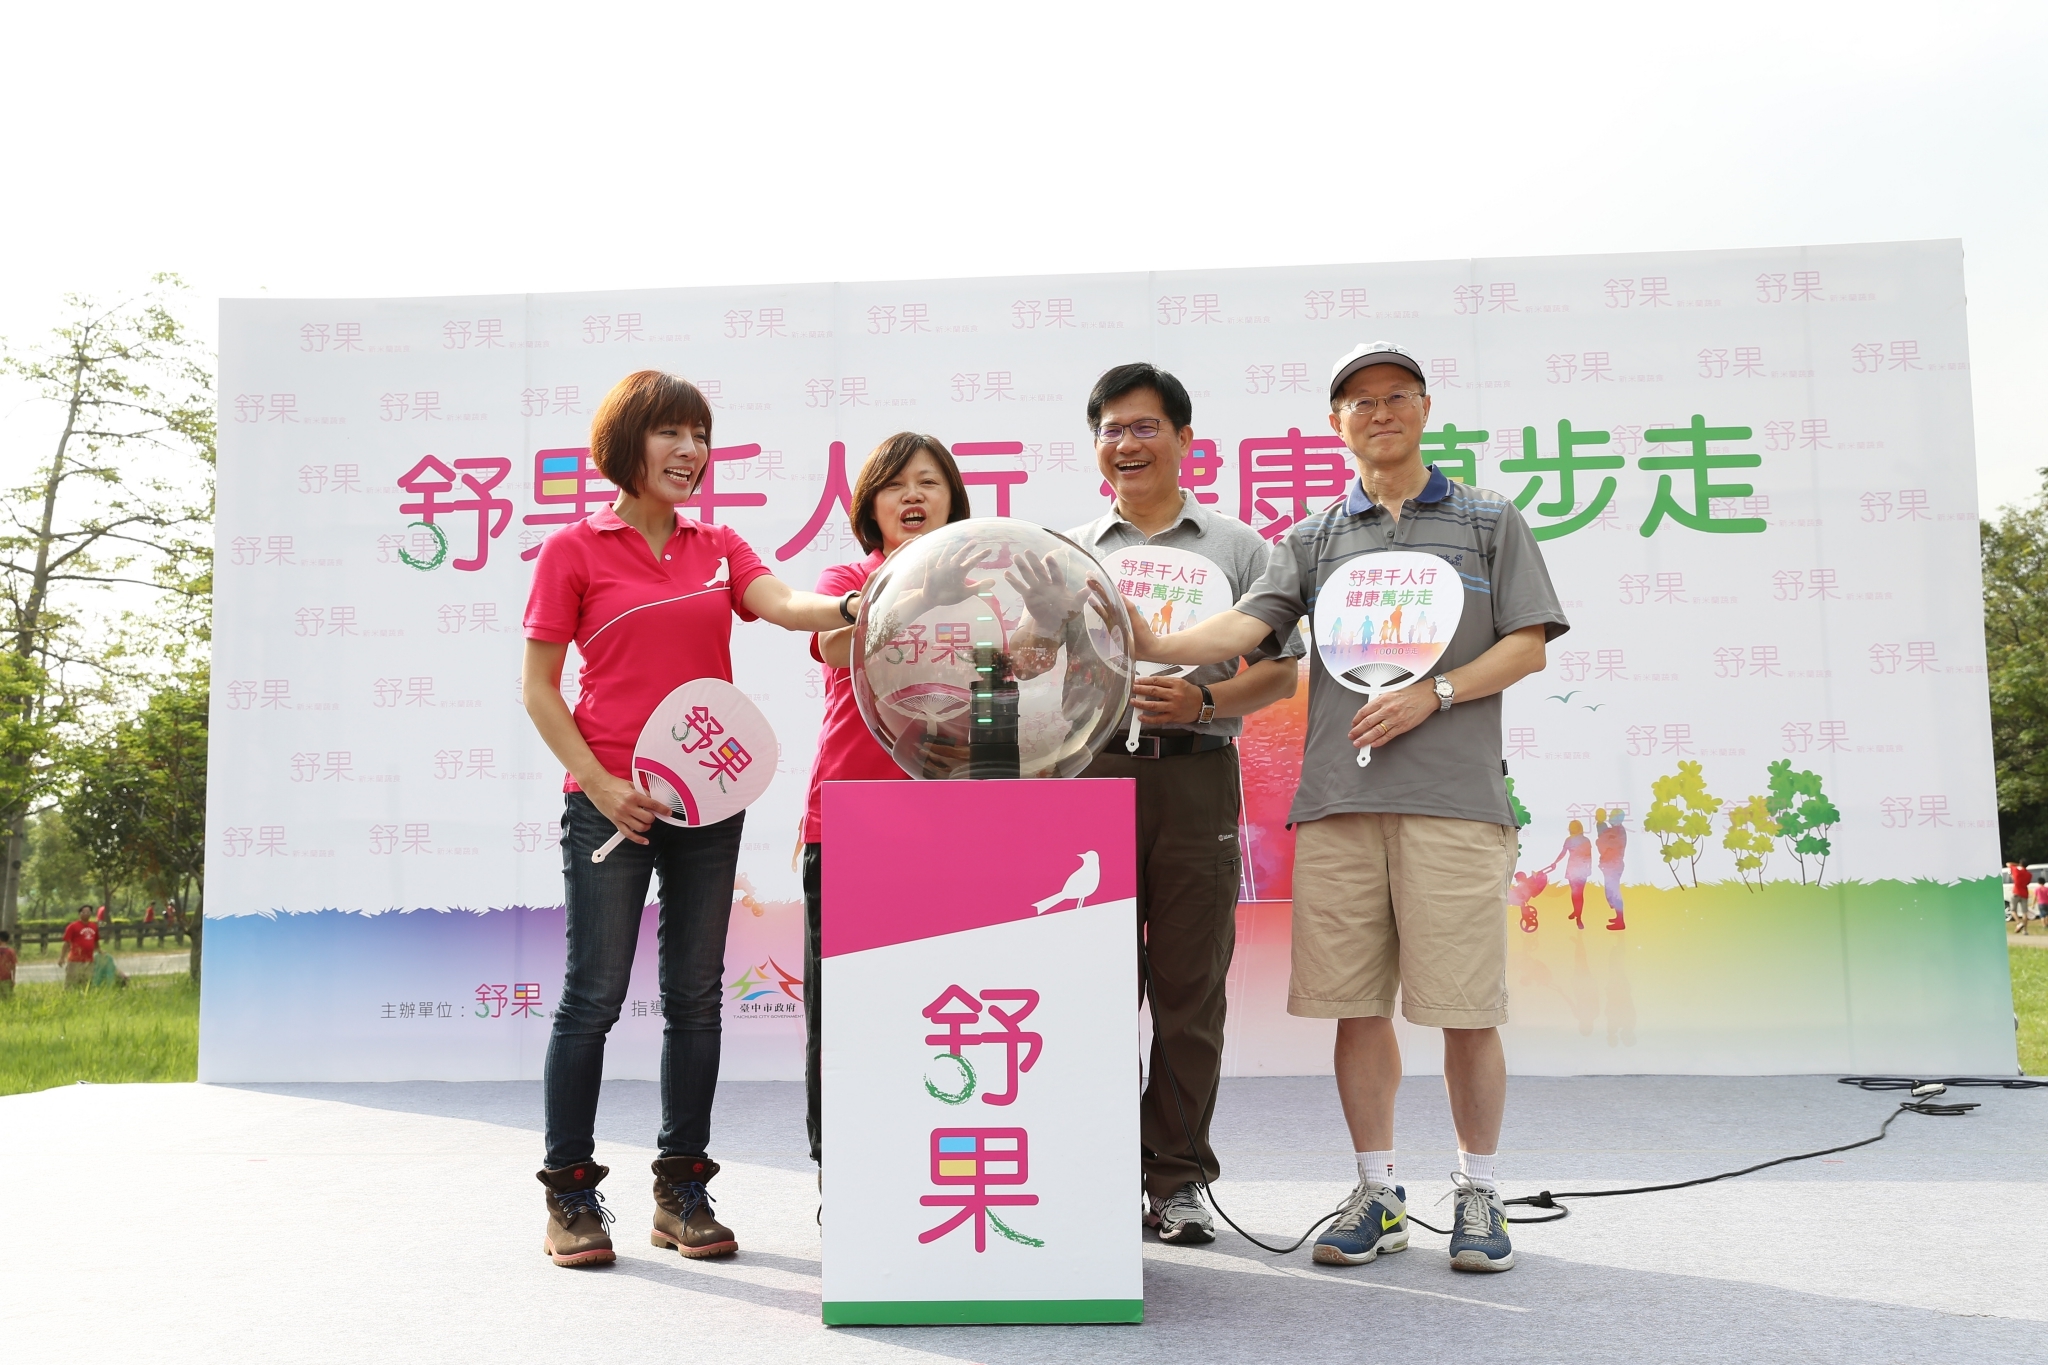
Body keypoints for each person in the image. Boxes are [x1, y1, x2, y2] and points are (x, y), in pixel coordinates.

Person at [1122, 341, 1568, 1275]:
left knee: (1465, 1011)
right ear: (1336, 424)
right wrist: (1149, 637)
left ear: (1425, 408)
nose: (1380, 412)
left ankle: (1479, 1191)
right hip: (1338, 802)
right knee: (1355, 1010)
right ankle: (1377, 1191)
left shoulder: (1487, 519)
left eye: (1396, 395)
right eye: (1360, 402)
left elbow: (1527, 644)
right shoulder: (1313, 538)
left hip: (1454, 802)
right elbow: (1246, 628)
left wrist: (1434, 694)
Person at [521, 369, 864, 1269]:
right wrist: (600, 784)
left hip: (708, 801)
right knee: (593, 996)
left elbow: (784, 605)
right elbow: (539, 689)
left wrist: (853, 604)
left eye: (700, 435)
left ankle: (682, 1190)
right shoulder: (573, 550)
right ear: (625, 444)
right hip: (610, 805)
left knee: (695, 996)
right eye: (670, 432)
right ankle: (569, 1194)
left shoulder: (718, 545)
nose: (690, 451)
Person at [1058, 363, 1302, 1245]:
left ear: (1184, 439)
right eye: (1112, 430)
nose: (1127, 444)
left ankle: (1177, 1177)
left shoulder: (1241, 549)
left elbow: (1279, 672)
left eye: (1145, 427)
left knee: (1190, 988)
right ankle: (1090, 1170)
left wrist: (1202, 701)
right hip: (1090, 778)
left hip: (1197, 775)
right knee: (1089, 987)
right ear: (1096, 445)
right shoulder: (1070, 553)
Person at [803, 432, 975, 1172]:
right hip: (852, 818)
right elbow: (830, 645)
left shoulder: (987, 594)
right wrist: (922, 595)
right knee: (844, 1012)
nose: (913, 495)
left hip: (954, 820)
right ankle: (842, 1177)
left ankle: (924, 1161)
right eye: (895, 484)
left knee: (941, 1005)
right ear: (870, 506)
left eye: (929, 482)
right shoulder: (847, 578)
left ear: (953, 500)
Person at [1551, 820, 1593, 928]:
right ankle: (1576, 912)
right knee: (1576, 894)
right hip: (1574, 870)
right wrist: (1555, 862)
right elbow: (1563, 853)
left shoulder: (1582, 840)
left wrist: (1589, 868)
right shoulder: (1572, 840)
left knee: (1577, 894)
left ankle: (1578, 917)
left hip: (1580, 870)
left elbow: (1588, 856)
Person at [1597, 810, 1628, 931]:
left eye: (1611, 816)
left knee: (1615, 893)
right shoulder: (1616, 830)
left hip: (1613, 866)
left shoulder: (1617, 832)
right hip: (1613, 865)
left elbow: (1602, 843)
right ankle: (1618, 917)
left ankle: (1620, 921)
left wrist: (1600, 828)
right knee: (1612, 892)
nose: (1609, 817)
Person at [62, 907, 100, 989]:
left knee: (87, 983)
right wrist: (62, 958)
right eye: (84, 912)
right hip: (75, 960)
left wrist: (99, 950)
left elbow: (96, 941)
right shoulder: (72, 926)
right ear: (80, 914)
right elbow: (66, 943)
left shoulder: (94, 926)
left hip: (89, 960)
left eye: (88, 912)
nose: (86, 914)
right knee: (71, 983)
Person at [0, 929, 16, 999]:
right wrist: (13, 978)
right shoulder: (11, 951)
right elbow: (13, 966)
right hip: (7, 978)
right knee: (8, 998)